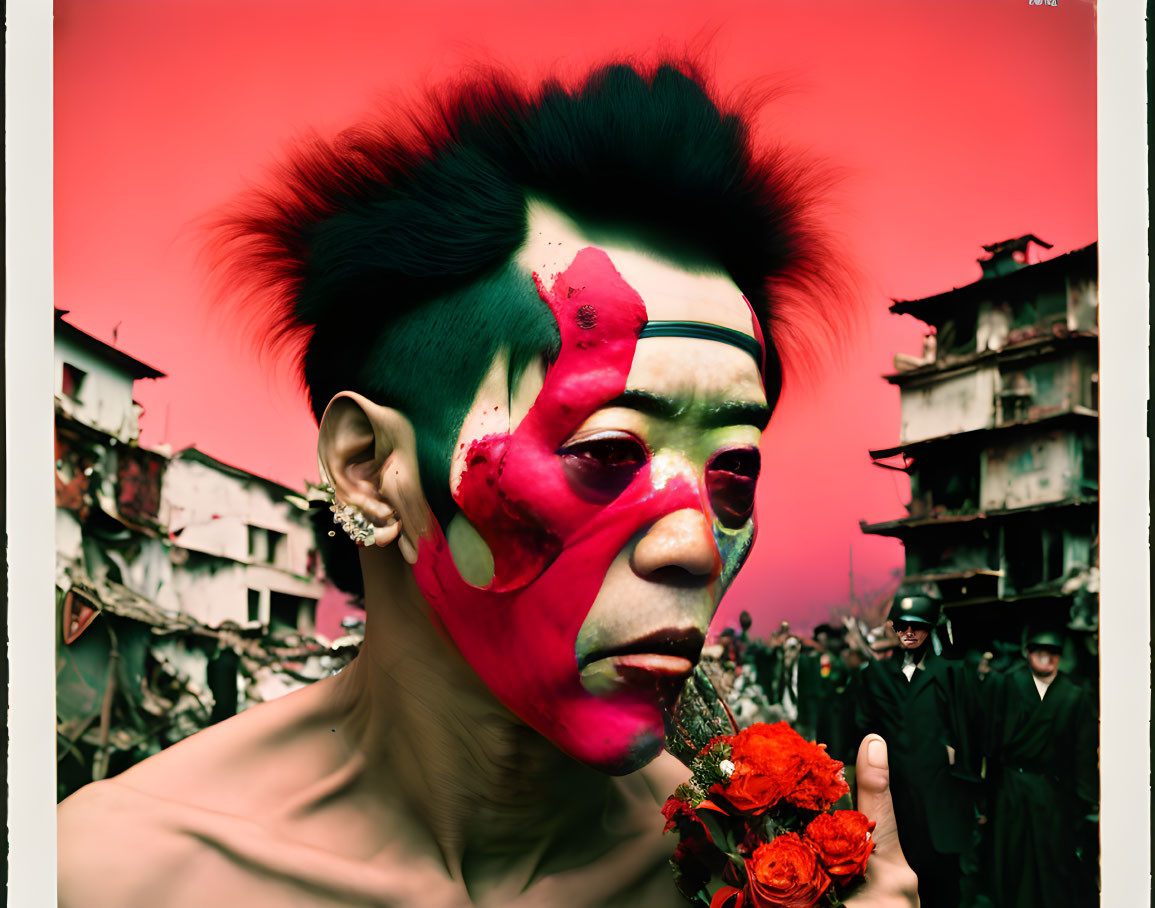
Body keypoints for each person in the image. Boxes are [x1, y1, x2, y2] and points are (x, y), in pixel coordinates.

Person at [58, 60, 917, 907]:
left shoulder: (733, 869)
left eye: (732, 471)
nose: (695, 544)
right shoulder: (114, 877)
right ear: (368, 469)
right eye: (606, 451)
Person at [854, 593, 982, 908]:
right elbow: (863, 730)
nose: (909, 634)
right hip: (898, 800)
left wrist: (972, 790)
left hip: (942, 799)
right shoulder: (877, 677)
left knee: (945, 886)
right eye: (902, 627)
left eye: (918, 627)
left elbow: (971, 731)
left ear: (930, 630)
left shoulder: (952, 673)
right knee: (898, 884)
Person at [983, 628, 1098, 908]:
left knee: (1052, 861)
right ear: (1028, 653)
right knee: (1011, 859)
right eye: (1039, 651)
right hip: (1011, 787)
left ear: (1060, 657)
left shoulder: (1074, 694)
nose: (1046, 658)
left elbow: (1083, 752)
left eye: (1053, 652)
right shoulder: (1007, 684)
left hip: (1052, 789)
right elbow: (989, 739)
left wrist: (1087, 802)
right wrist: (985, 796)